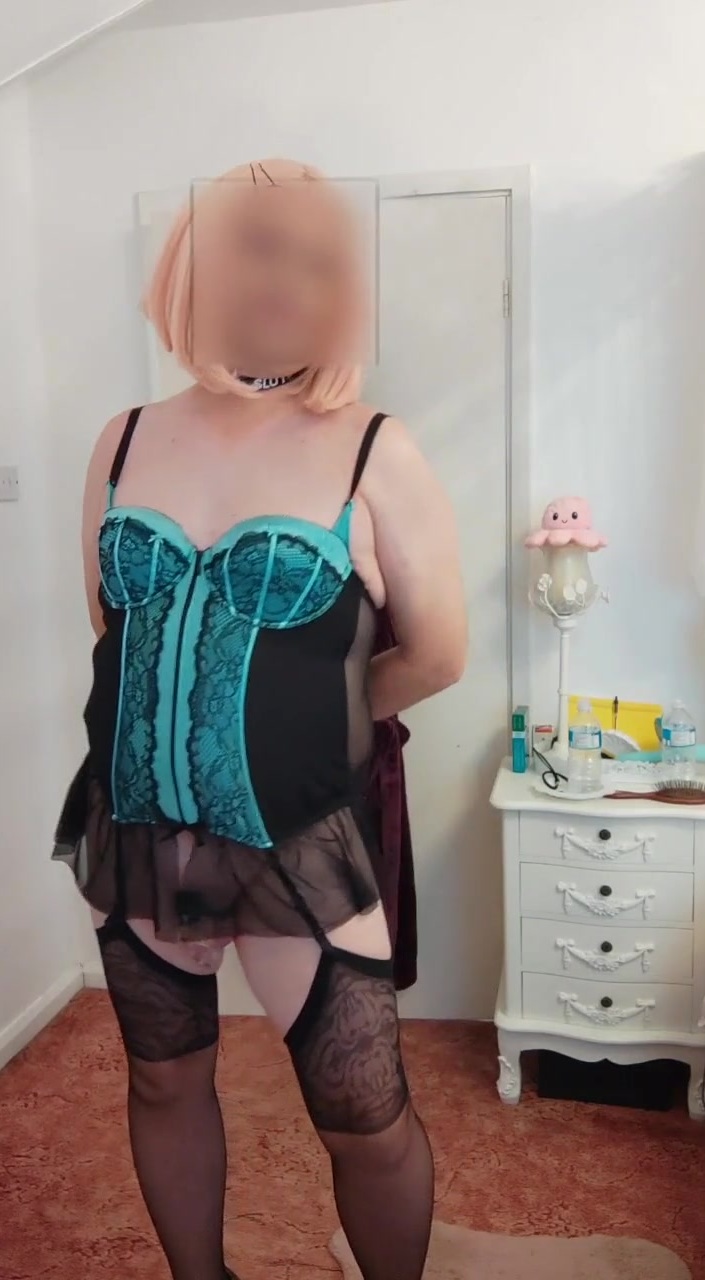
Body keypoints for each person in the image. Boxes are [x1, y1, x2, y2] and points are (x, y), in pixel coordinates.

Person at [59, 158, 467, 1280]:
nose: (284, 280)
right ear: (194, 265)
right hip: (136, 827)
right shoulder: (122, 438)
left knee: (365, 1118)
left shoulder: (375, 446)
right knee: (163, 1080)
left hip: (297, 841)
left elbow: (436, 654)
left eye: (316, 259)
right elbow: (111, 623)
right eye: (256, 247)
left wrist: (309, 728)